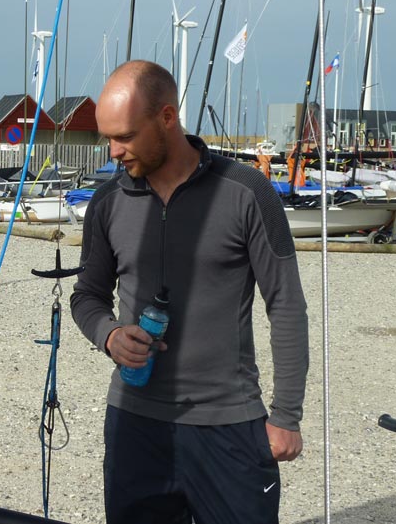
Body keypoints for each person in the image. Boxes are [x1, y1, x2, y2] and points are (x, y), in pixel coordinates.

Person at [71, 60, 309, 524]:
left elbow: (286, 303)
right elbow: (87, 296)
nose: (113, 152)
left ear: (166, 117)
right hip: (135, 425)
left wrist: (285, 415)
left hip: (229, 425)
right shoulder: (106, 202)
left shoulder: (246, 191)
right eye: (107, 139)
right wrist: (109, 336)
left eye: (124, 136)